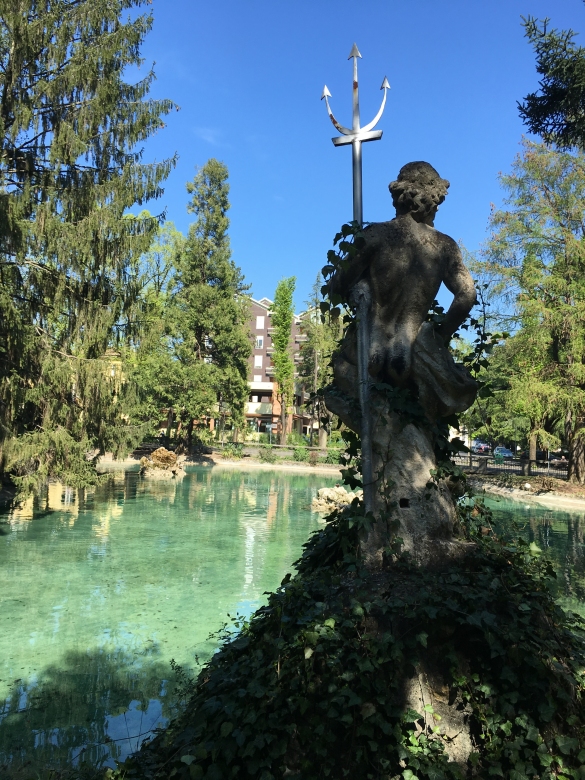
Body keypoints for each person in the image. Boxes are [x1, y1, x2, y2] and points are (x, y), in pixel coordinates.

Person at [328, 161, 477, 419]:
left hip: (370, 346)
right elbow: (467, 294)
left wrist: (360, 286)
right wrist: (439, 336)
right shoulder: (444, 246)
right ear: (431, 200)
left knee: (345, 379)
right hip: (408, 351)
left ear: (399, 196)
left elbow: (336, 287)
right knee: (408, 423)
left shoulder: (375, 235)